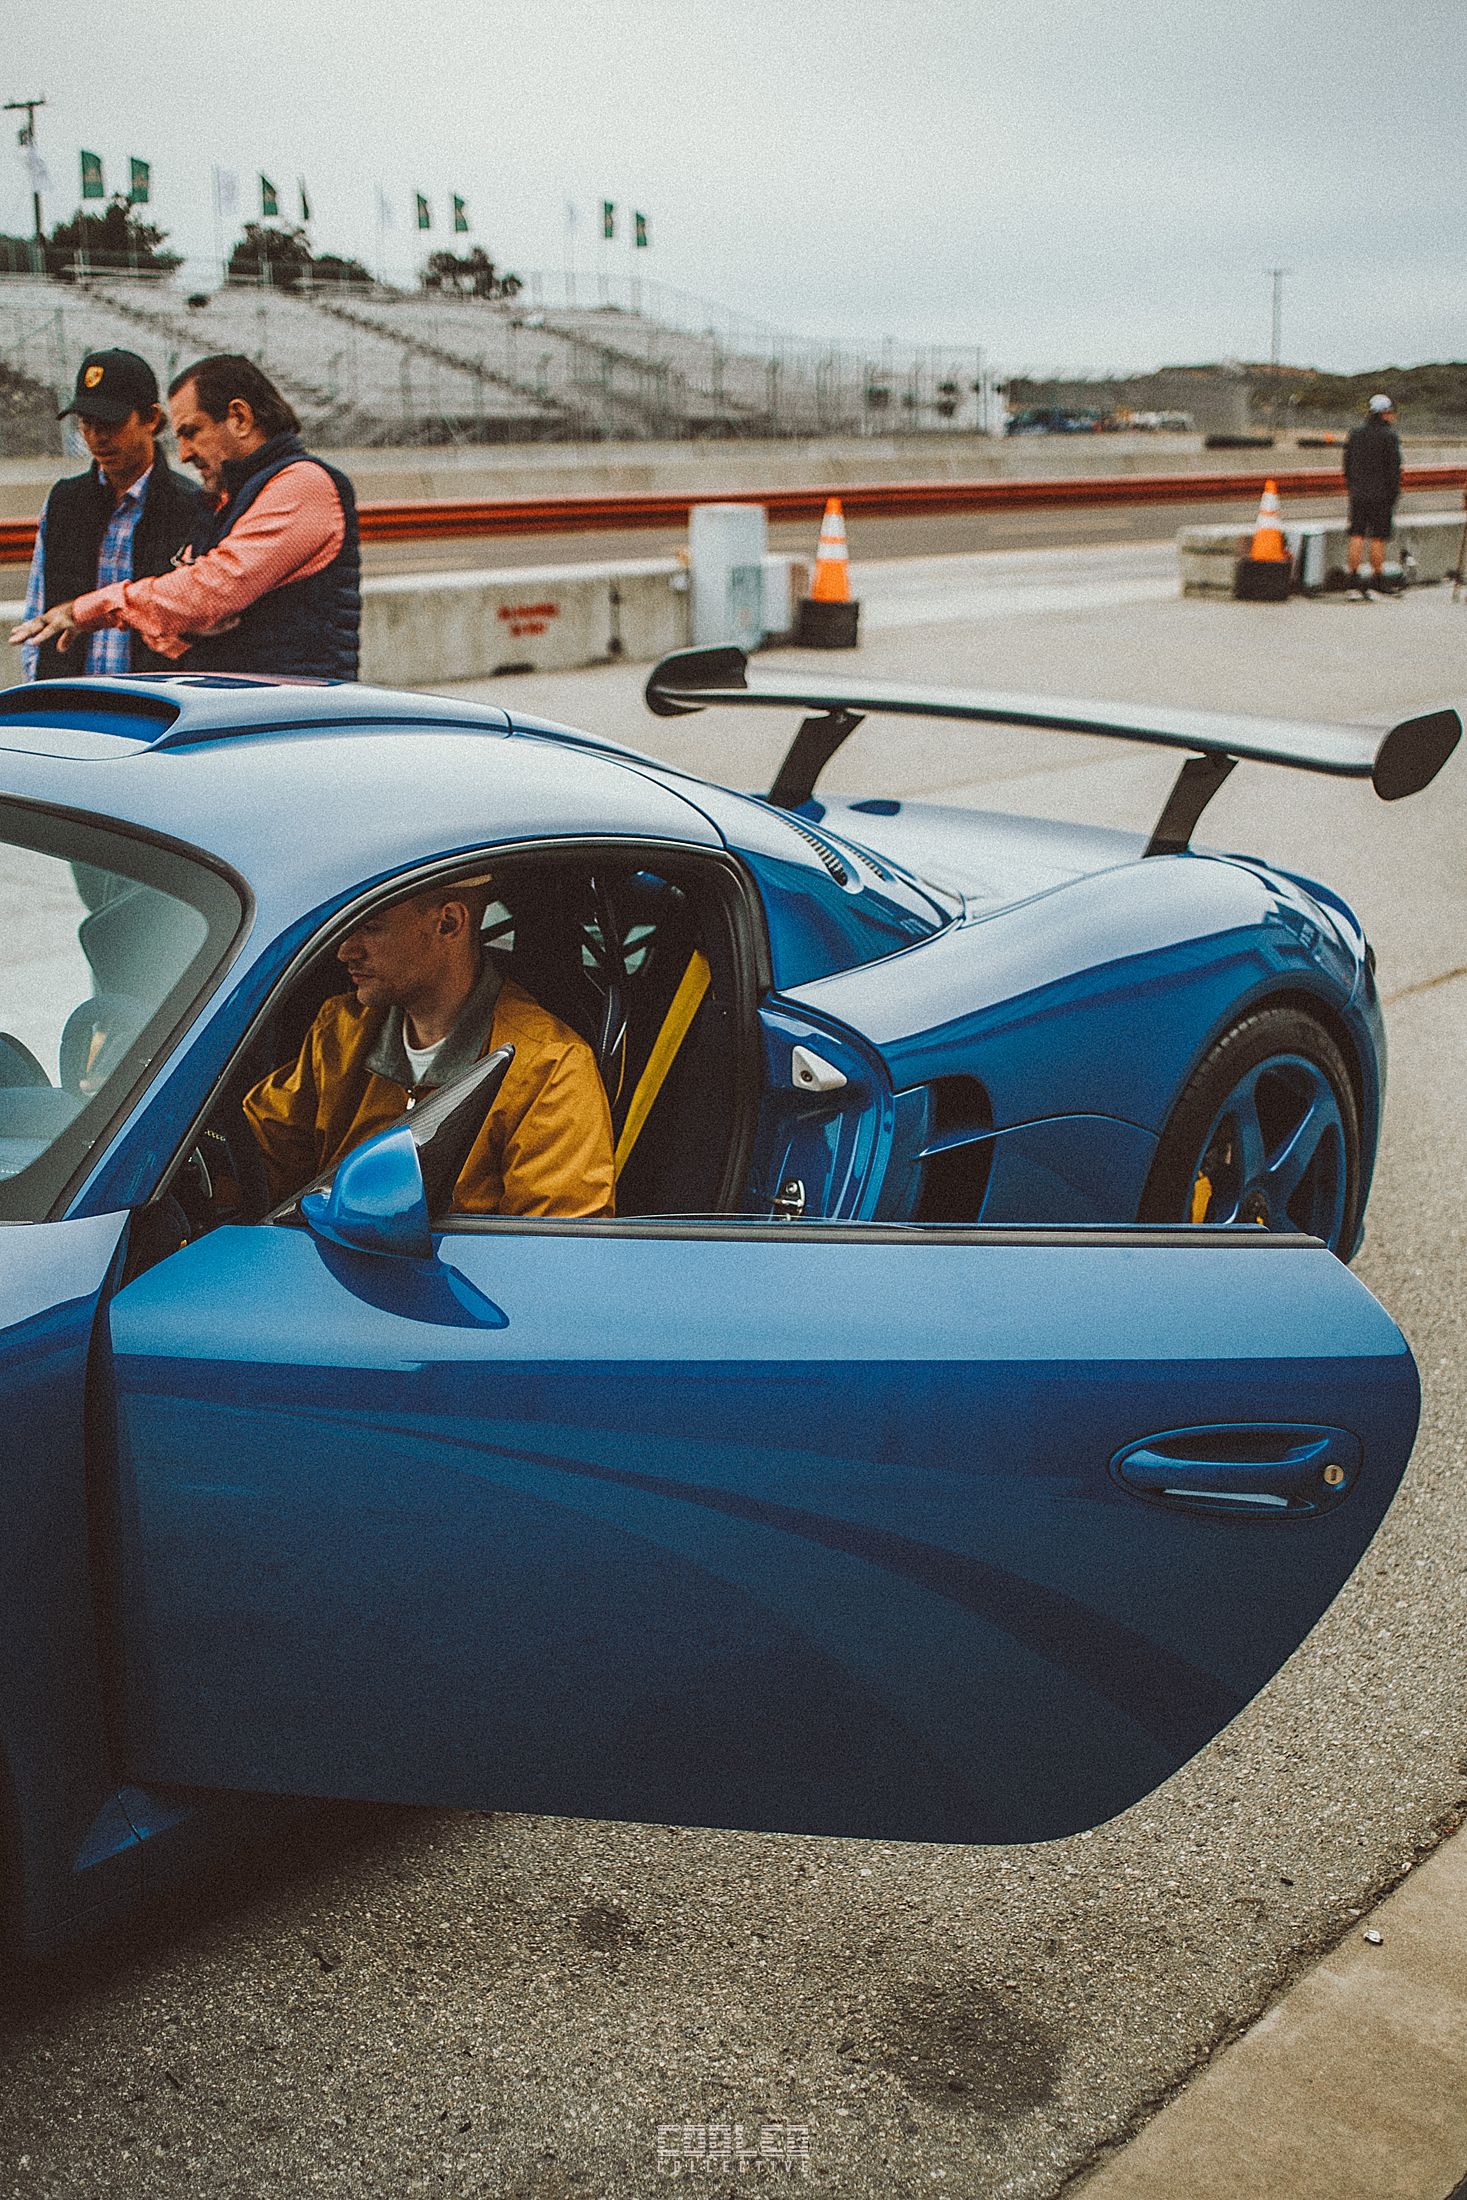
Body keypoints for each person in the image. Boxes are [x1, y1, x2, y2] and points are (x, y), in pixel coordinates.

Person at [244, 879, 616, 1218]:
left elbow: (553, 1258)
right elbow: (257, 1160)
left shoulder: (550, 1067)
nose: (344, 950)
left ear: (449, 923)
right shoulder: (340, 1031)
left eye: (370, 927)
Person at [10, 354, 360, 679]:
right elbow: (194, 616)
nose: (184, 454)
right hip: (255, 710)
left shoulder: (303, 483)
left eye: (191, 432)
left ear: (239, 417)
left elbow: (210, 592)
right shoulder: (232, 498)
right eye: (87, 424)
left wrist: (86, 610)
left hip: (295, 717)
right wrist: (184, 620)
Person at [16, 348, 205, 682]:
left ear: (151, 418)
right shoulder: (64, 501)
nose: (98, 437)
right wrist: (41, 684)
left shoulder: (191, 506)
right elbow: (38, 605)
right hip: (69, 703)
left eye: (112, 423)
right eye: (87, 424)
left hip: (154, 706)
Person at [1343, 393, 1402, 595]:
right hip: (1381, 496)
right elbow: (1394, 470)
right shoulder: (1390, 436)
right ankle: (1378, 578)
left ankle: (1352, 578)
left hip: (1358, 494)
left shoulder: (1356, 434)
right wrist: (1393, 494)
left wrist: (1353, 486)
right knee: (1378, 537)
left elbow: (1347, 465)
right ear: (1384, 413)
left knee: (1357, 534)